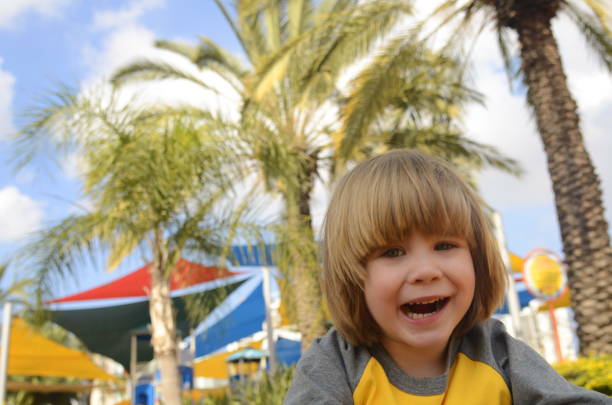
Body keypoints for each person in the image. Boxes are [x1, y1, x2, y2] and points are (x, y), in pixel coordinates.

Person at [284, 150, 610, 404]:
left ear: (478, 260)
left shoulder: (497, 353)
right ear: (353, 277)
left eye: (445, 245)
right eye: (393, 252)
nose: (426, 271)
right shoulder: (335, 365)